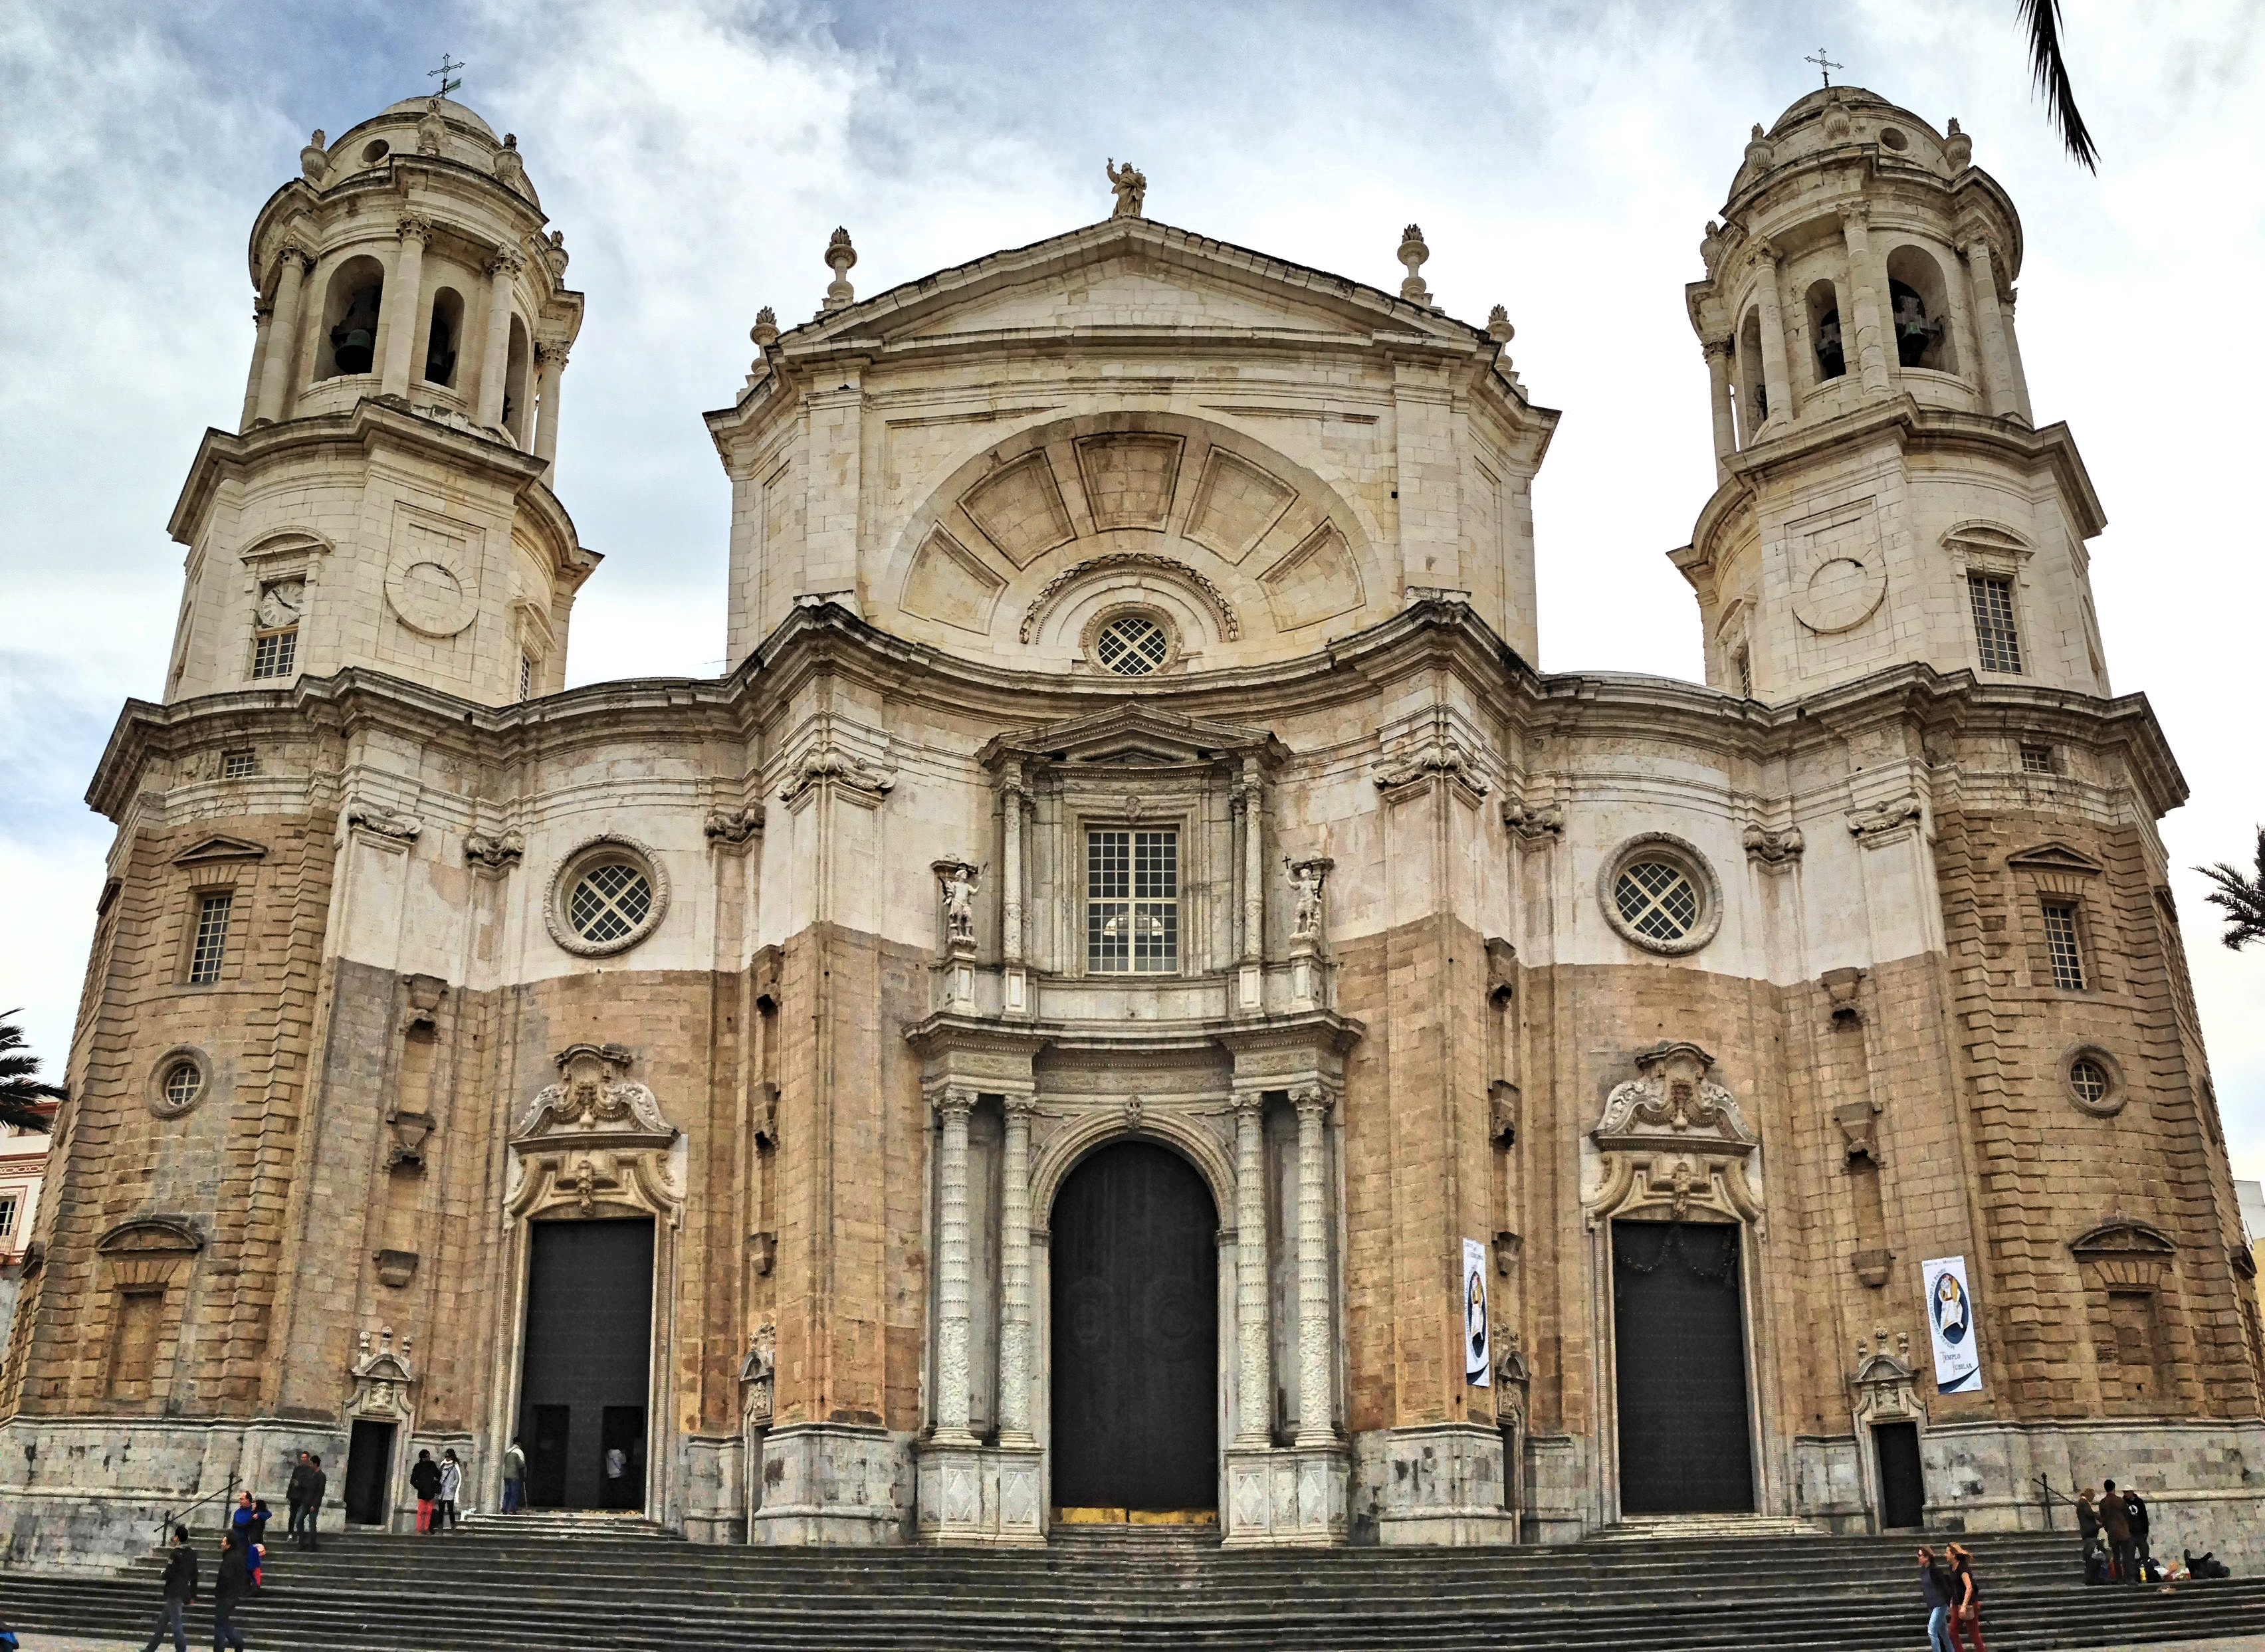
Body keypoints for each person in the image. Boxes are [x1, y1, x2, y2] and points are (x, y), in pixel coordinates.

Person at [138, 1524, 197, 1652]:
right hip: (184, 1590)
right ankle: (151, 1648)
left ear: (178, 1538)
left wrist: (162, 1575)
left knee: (176, 1623)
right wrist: (193, 1594)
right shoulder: (192, 1554)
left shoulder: (175, 1553)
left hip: (173, 1591)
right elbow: (195, 1575)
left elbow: (169, 1572)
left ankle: (181, 1649)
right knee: (163, 1621)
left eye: (175, 1536)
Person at [1946, 1542, 1989, 1652]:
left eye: (1947, 1552)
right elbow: (1953, 1586)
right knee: (1952, 1632)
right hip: (1957, 1604)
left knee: (1974, 1634)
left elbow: (1969, 1587)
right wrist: (1952, 1601)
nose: (1945, 1555)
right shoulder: (1951, 1567)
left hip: (1969, 1604)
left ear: (1953, 1555)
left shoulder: (1963, 1568)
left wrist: (1964, 1606)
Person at [212, 1530, 250, 1652]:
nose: (222, 1544)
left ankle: (223, 1648)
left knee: (220, 1626)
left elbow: (225, 1578)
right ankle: (238, 1642)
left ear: (229, 1544)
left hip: (226, 1596)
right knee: (223, 1623)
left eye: (223, 1542)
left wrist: (219, 1593)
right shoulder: (238, 1556)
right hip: (233, 1595)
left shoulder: (230, 1559)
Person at [1918, 1544, 1957, 1652]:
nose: (1919, 1558)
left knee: (1932, 1631)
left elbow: (1945, 1587)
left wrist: (1950, 1603)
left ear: (1927, 1557)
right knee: (1944, 1633)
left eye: (1920, 1555)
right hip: (1931, 1605)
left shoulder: (1935, 1570)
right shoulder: (1923, 1571)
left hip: (1940, 1605)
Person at [2102, 1477, 2135, 1584]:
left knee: (2116, 1557)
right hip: (2123, 1532)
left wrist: (2108, 1529)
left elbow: (2103, 1519)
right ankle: (2129, 1578)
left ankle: (2119, 1578)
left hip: (2112, 1533)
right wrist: (2127, 1528)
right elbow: (2128, 1515)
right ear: (2114, 1488)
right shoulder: (2120, 1501)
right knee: (2126, 1556)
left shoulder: (2103, 1503)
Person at [410, 1448, 442, 1534]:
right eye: (428, 1456)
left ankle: (424, 1529)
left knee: (427, 1512)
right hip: (425, 1492)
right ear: (424, 1457)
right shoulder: (421, 1466)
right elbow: (413, 1480)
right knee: (423, 1512)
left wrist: (420, 1487)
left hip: (427, 1491)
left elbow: (438, 1475)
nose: (429, 1458)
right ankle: (421, 1529)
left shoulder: (429, 1465)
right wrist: (420, 1487)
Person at [298, 1454, 326, 1551]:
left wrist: (315, 1505)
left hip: (313, 1504)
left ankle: (312, 1545)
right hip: (306, 1502)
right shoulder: (311, 1474)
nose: (310, 1465)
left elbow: (320, 1492)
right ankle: (302, 1543)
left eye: (311, 1464)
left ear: (315, 1464)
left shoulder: (321, 1476)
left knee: (312, 1524)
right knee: (299, 1521)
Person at [2123, 1483, 2152, 1570]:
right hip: (2130, 1533)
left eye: (2127, 1492)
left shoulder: (2139, 1502)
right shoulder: (2123, 1503)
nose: (2126, 1494)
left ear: (2131, 1492)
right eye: (2125, 1492)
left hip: (2140, 1533)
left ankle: (2147, 1570)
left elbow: (2144, 1517)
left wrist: (2146, 1531)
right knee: (2130, 1555)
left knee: (2145, 1553)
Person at [437, 1448, 463, 1533]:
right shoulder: (442, 1466)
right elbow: (438, 1476)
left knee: (451, 1510)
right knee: (441, 1511)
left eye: (449, 1457)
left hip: (450, 1491)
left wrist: (453, 1486)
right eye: (446, 1456)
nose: (447, 1458)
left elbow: (457, 1478)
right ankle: (440, 1528)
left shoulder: (455, 1466)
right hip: (442, 1491)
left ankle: (453, 1527)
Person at [2077, 1489, 2102, 1578]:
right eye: (2093, 1496)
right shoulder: (2083, 1502)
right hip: (2089, 1532)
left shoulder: (2083, 1502)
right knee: (2091, 1555)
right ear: (2089, 1495)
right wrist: (2098, 1516)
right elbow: (2089, 1513)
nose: (2093, 1498)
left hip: (2088, 1531)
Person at [502, 1437, 526, 1514]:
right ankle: (512, 1509)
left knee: (507, 1492)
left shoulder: (508, 1451)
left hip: (506, 1475)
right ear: (519, 1444)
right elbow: (521, 1464)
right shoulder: (519, 1452)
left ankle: (505, 1509)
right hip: (514, 1476)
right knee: (514, 1492)